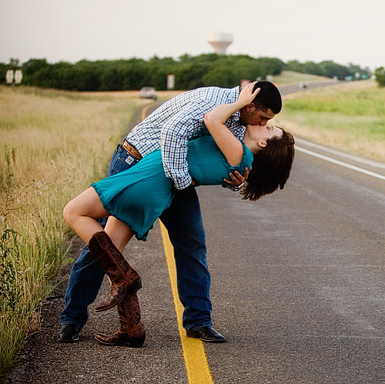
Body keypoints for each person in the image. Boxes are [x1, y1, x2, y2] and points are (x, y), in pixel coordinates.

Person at [58, 80, 292, 344]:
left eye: (267, 123)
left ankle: (198, 321)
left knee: (192, 244)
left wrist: (234, 180)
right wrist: (184, 181)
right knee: (105, 247)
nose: (263, 124)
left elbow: (222, 160)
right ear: (249, 106)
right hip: (137, 161)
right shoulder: (214, 102)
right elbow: (172, 132)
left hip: (172, 174)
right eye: (262, 118)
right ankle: (72, 318)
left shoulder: (242, 122)